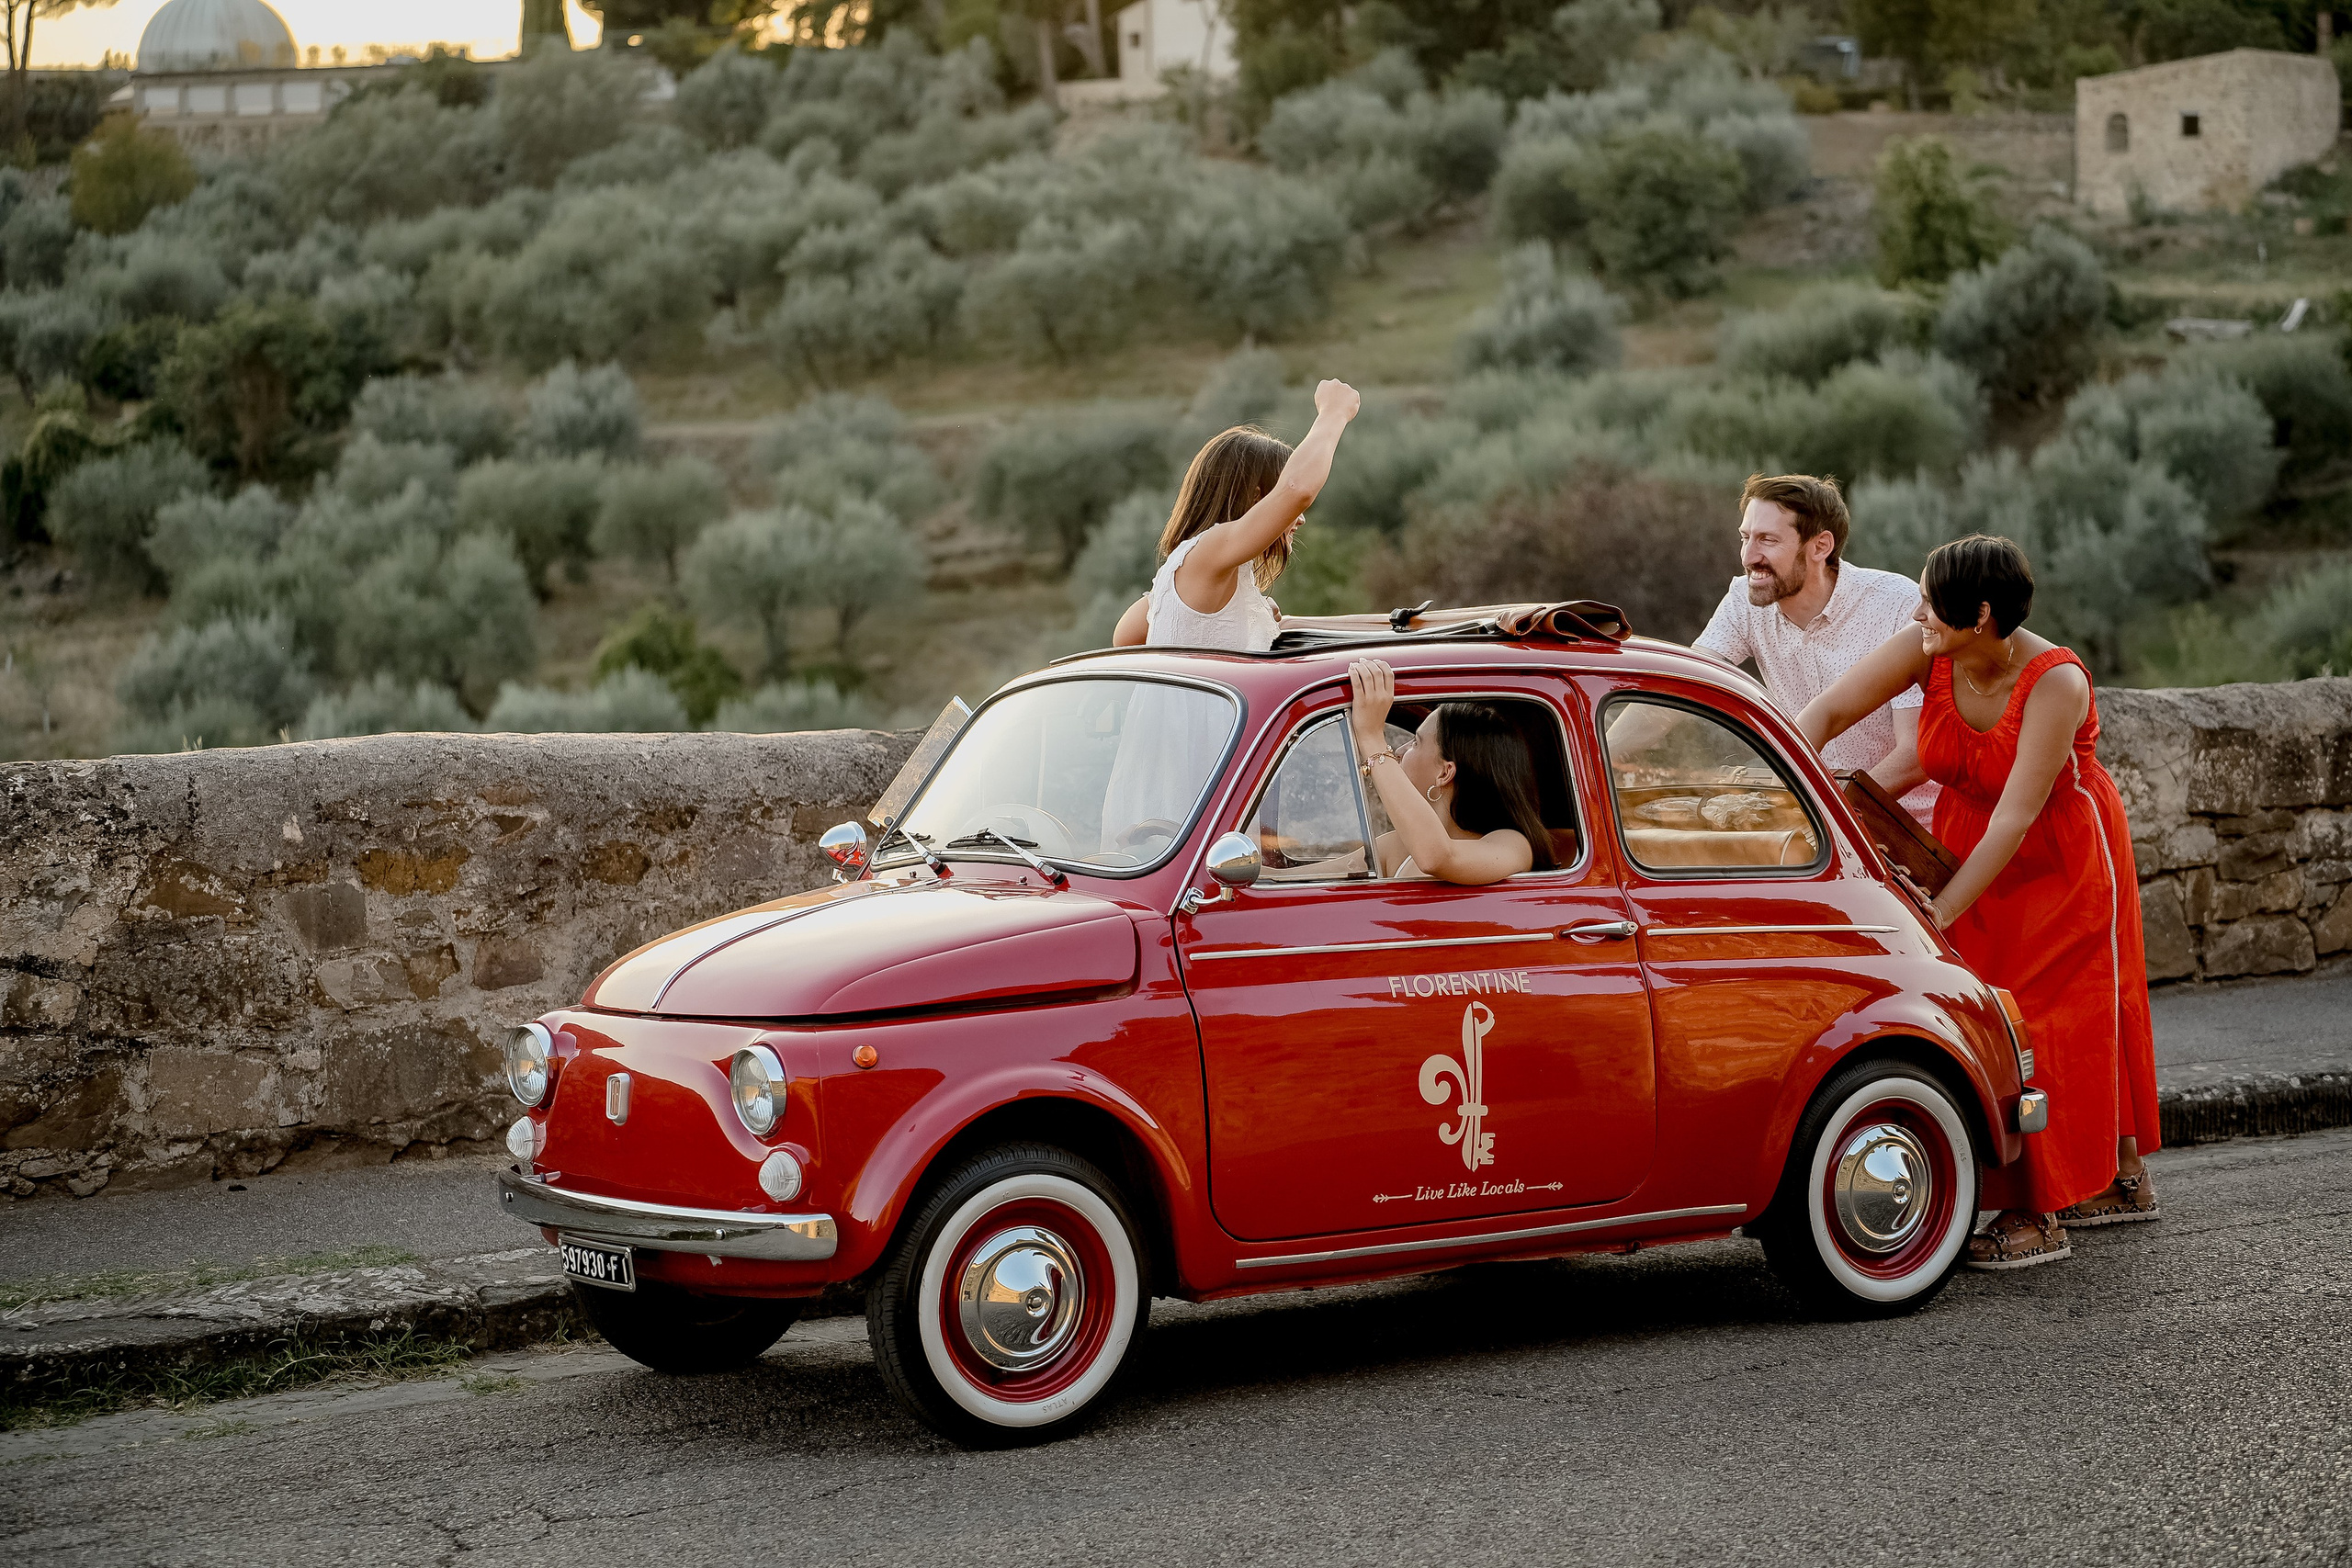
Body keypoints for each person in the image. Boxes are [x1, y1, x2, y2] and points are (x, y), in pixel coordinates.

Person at [1798, 535, 2161, 1271]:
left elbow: (2016, 818)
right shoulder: (1928, 647)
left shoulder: (2056, 681)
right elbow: (1829, 711)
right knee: (1985, 1011)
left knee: (2054, 1018)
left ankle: (2042, 1209)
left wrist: (1939, 912)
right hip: (1966, 843)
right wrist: (1789, 793)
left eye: (1933, 603)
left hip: (2057, 854)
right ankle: (2119, 1176)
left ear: (1983, 615)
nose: (1919, 612)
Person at [1692, 474, 1939, 824]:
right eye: (1745, 537)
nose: (1748, 556)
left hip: (1908, 829)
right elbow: (1682, 684)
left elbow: (1915, 755)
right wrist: (1596, 762)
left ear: (1820, 546)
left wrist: (1819, 814)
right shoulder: (1743, 603)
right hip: (1819, 821)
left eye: (1767, 540)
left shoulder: (1898, 605)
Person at [1111, 378, 1362, 652]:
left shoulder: (1187, 573)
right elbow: (1297, 488)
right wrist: (1334, 412)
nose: (1299, 518)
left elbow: (1125, 637)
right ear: (1255, 498)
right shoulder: (1208, 551)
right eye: (1287, 507)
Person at [1346, 658, 1558, 885]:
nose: (1399, 750)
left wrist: (1372, 739)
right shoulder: (1396, 846)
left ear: (1445, 773)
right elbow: (1306, 881)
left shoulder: (1514, 844)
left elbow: (1436, 858)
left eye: (1416, 742)